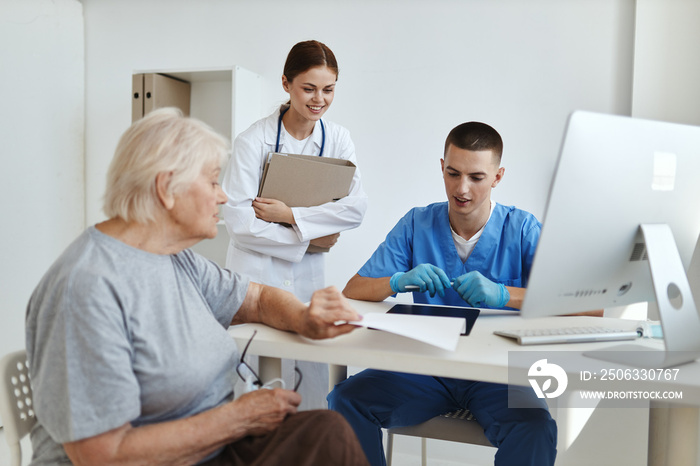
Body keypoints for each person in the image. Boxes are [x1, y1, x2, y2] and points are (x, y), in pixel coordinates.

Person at [25, 108, 369, 466]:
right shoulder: (87, 287)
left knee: (328, 431)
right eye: (213, 181)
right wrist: (237, 418)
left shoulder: (171, 256)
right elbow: (102, 455)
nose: (223, 197)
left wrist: (304, 317)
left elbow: (256, 298)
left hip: (211, 447)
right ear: (166, 188)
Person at [328, 122, 557, 466]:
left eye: (476, 178)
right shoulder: (417, 223)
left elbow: (576, 306)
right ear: (442, 168)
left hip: (496, 374)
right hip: (426, 367)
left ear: (497, 177)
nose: (462, 188)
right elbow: (354, 290)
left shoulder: (522, 229)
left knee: (536, 428)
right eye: (453, 173)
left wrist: (503, 295)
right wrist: (397, 281)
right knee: (346, 399)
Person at [221, 40, 368, 410]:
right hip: (257, 277)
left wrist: (290, 216)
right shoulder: (252, 142)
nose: (319, 99)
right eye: (309, 88)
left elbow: (355, 209)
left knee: (310, 393)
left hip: (306, 282)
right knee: (255, 389)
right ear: (286, 84)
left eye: (328, 89)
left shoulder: (337, 139)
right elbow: (238, 221)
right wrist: (311, 241)